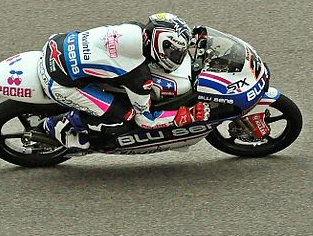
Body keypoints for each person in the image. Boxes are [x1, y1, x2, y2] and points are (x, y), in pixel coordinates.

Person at [37, 13, 210, 150]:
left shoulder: (137, 29)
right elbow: (146, 121)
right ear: (161, 46)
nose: (178, 57)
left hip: (56, 45)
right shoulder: (138, 75)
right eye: (175, 53)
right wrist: (187, 115)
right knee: (123, 118)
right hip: (59, 82)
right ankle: (59, 125)